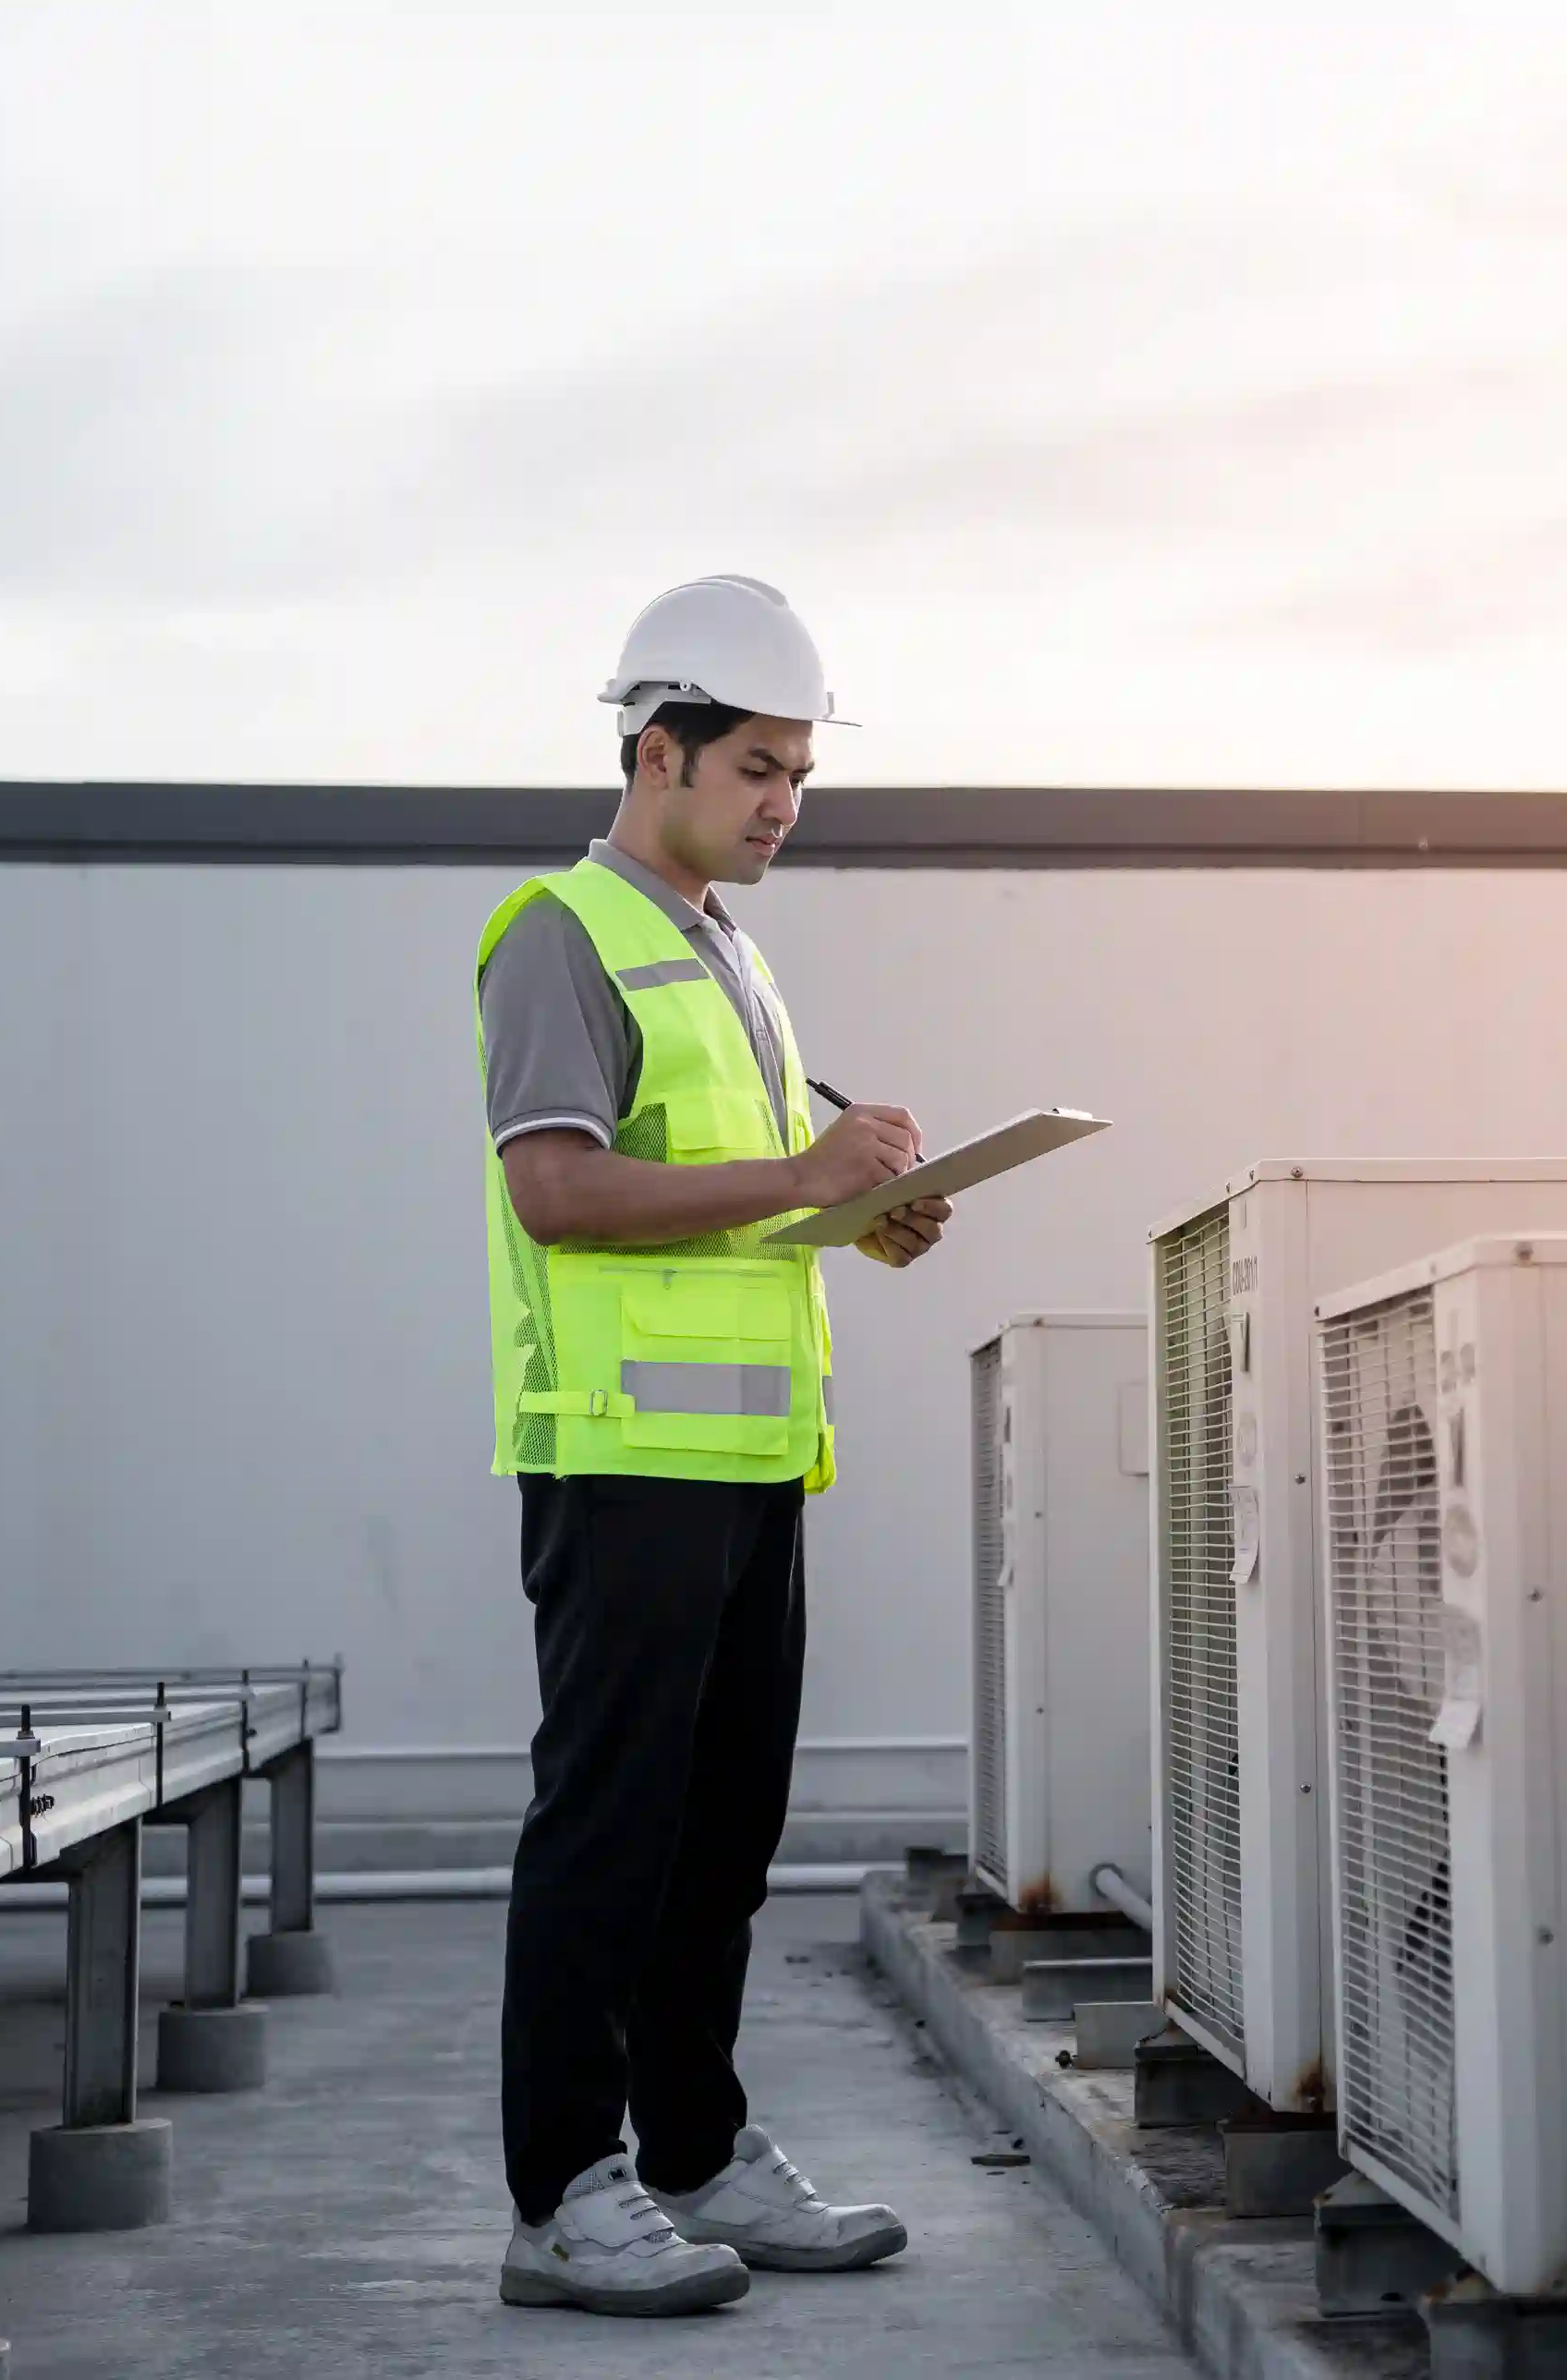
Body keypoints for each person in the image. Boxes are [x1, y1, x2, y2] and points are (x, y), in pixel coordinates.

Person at [475, 575, 952, 2316]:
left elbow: (742, 1213)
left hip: (751, 1470)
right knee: (608, 1829)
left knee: (722, 1836)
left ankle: (691, 2154)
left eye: (801, 774)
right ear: (657, 751)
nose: (784, 805)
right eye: (759, 765)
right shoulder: (562, 932)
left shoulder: (732, 956)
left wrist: (865, 1212)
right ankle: (563, 2198)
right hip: (623, 1467)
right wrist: (802, 1179)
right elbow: (558, 1186)